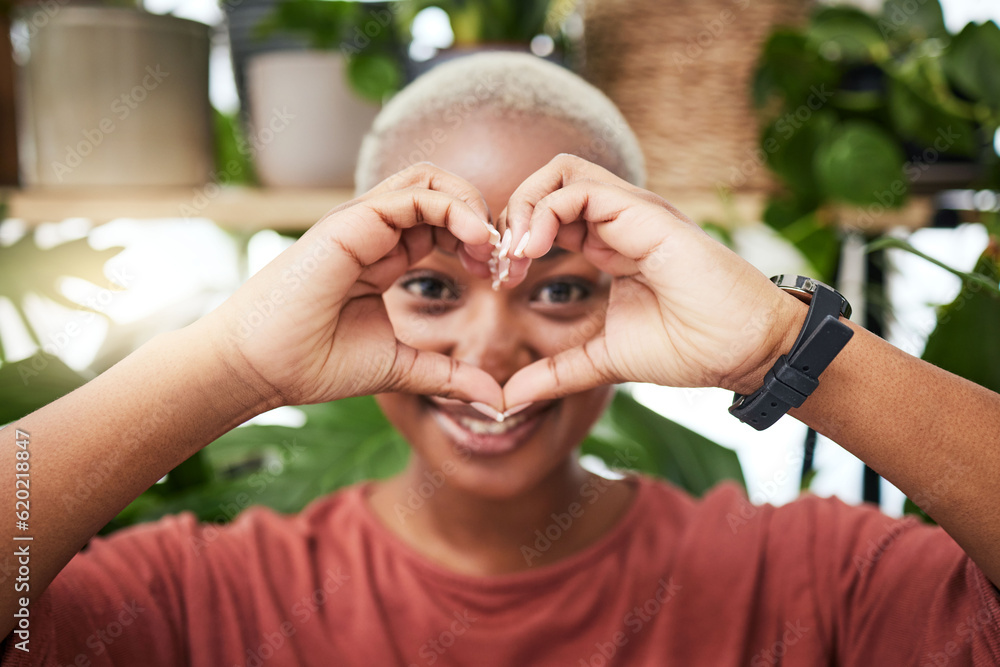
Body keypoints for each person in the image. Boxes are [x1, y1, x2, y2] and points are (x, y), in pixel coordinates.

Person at [2, 52, 999, 666]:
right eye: (432, 285)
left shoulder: (808, 583)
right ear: (357, 289)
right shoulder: (200, 601)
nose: (489, 348)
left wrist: (784, 344)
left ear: (633, 286)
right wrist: (232, 361)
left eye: (561, 287)